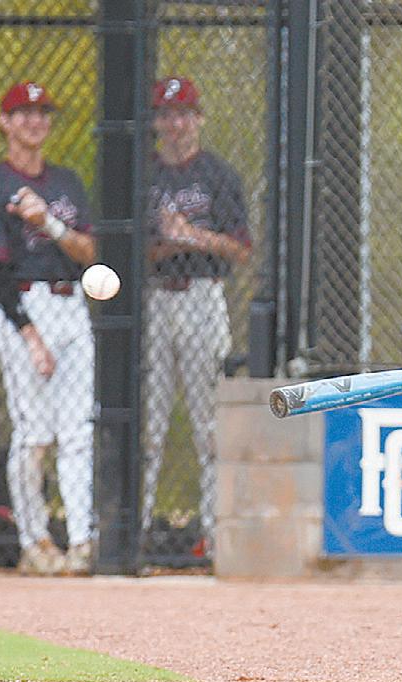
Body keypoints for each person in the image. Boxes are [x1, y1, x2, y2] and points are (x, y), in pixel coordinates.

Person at [0, 81, 98, 576]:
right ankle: (35, 541)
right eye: (23, 112)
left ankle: (82, 540)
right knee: (34, 434)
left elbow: (90, 252)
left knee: (77, 431)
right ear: (4, 122)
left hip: (71, 303)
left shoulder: (66, 184)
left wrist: (50, 223)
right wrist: (31, 336)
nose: (35, 121)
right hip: (22, 309)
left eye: (42, 112)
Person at [140, 77, 253, 558]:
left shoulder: (218, 175)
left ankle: (213, 532)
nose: (176, 124)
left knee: (211, 423)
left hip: (204, 296)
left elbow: (240, 249)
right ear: (155, 122)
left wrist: (192, 236)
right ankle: (136, 530)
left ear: (199, 118)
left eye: (184, 113)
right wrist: (170, 242)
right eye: (167, 114)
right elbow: (133, 251)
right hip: (155, 299)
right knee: (148, 422)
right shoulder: (143, 175)